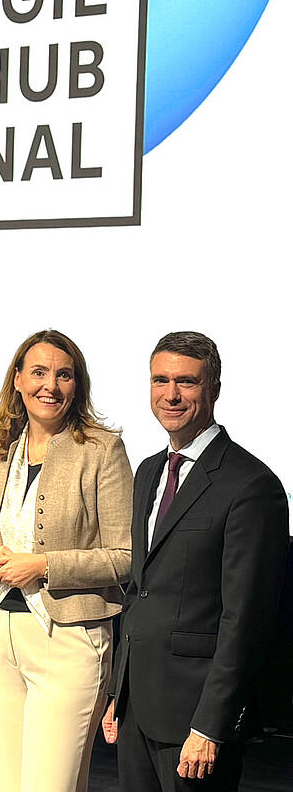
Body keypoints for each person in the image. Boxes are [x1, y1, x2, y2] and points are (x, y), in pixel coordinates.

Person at [103, 331, 289, 791]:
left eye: (186, 382)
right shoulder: (148, 471)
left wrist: (210, 725)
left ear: (214, 389)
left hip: (195, 722)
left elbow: (246, 621)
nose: (170, 394)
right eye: (160, 380)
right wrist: (117, 694)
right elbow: (140, 592)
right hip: (136, 711)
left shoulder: (252, 485)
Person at [0, 329, 133, 792]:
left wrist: (42, 566)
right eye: (38, 372)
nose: (50, 386)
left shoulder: (101, 450)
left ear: (77, 385)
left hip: (70, 638)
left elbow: (125, 557)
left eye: (64, 375)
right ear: (18, 379)